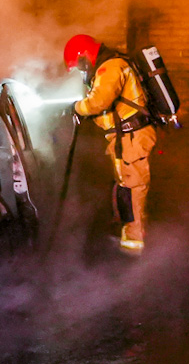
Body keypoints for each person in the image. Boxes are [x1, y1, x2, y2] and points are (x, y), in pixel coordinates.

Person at [65, 34, 156, 254]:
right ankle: (130, 235)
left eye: (79, 66)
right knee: (126, 186)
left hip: (132, 139)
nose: (81, 71)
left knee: (132, 188)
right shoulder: (109, 65)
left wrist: (76, 108)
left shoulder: (111, 67)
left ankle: (134, 250)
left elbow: (99, 101)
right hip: (126, 139)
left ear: (85, 56)